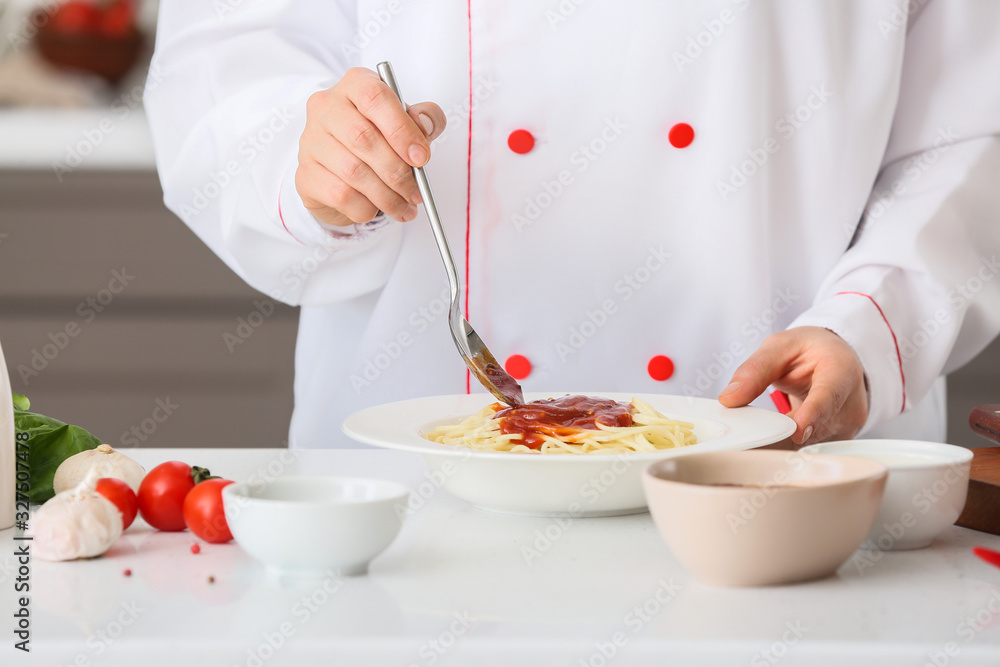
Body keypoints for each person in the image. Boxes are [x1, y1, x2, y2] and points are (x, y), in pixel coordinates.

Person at [145, 0, 1000, 450]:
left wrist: (875, 321)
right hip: (415, 505)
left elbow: (972, 136)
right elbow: (222, 63)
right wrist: (308, 158)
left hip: (789, 488)